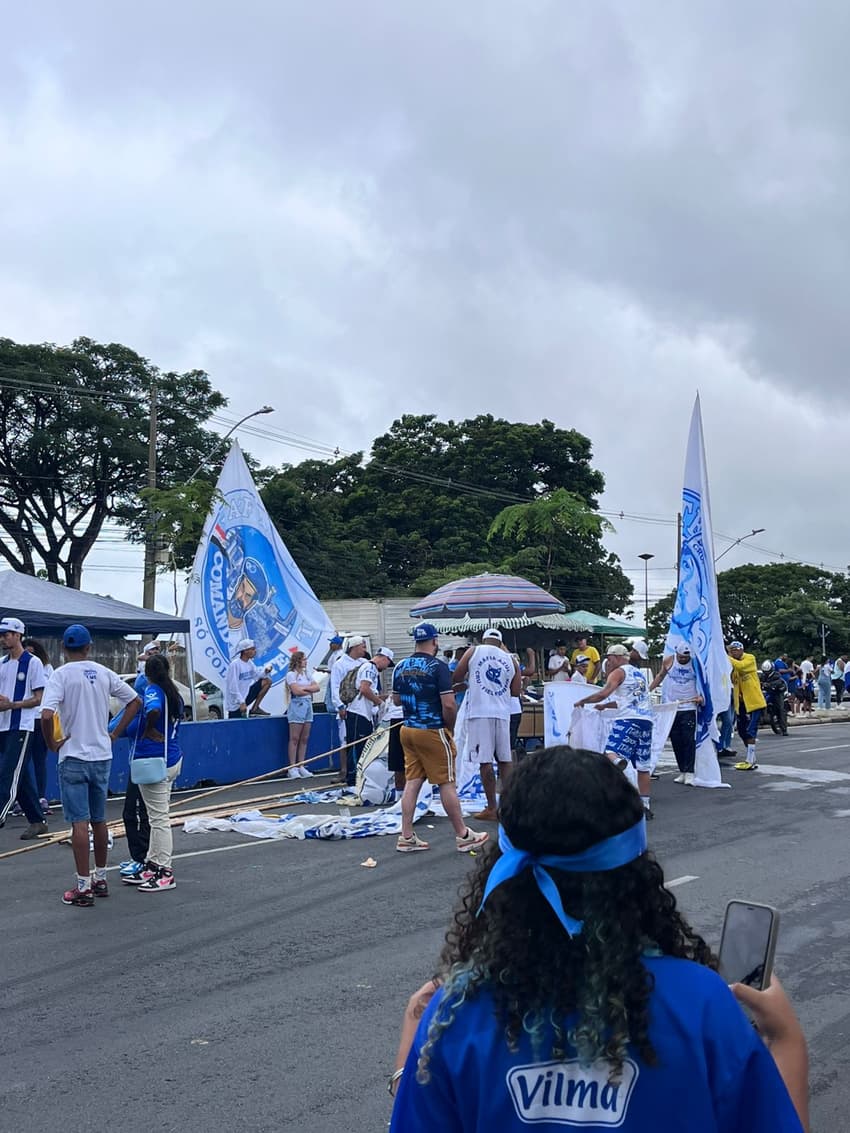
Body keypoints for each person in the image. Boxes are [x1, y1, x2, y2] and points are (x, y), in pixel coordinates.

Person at [388, 746, 809, 1133]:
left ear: (504, 873)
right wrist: (786, 1040)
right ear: (637, 876)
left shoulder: (456, 1015)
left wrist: (412, 1054)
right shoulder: (702, 1003)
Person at [40, 624, 140, 907]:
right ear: (88, 647)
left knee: (79, 823)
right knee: (99, 820)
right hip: (101, 754)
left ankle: (83, 886)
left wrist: (52, 744)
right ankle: (100, 878)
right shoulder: (104, 673)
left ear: (63, 648)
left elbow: (47, 715)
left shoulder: (60, 675)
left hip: (73, 755)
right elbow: (135, 702)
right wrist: (115, 733)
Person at [393, 623, 488, 855]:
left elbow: (396, 700)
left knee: (413, 780)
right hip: (432, 729)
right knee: (446, 781)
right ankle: (463, 835)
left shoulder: (401, 666)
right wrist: (450, 727)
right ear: (434, 641)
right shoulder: (438, 667)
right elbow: (448, 704)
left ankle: (406, 835)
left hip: (407, 728)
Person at [122, 653, 183, 892]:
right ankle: (153, 863)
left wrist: (148, 728)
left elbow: (153, 710)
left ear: (146, 673)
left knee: (158, 819)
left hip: (155, 760)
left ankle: (164, 870)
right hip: (171, 757)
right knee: (157, 815)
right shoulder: (174, 693)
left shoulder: (154, 690)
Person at [575, 644, 655, 819]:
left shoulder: (619, 672)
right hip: (646, 720)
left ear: (617, 657)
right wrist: (605, 706)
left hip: (628, 719)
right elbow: (625, 700)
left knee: (610, 752)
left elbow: (604, 692)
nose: (608, 663)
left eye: (609, 659)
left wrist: (583, 700)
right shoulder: (639, 674)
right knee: (643, 766)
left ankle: (619, 762)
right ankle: (645, 804)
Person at [451, 629, 522, 823]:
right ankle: (510, 806)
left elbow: (457, 676)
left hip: (480, 712)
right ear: (500, 643)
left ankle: (492, 807)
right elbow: (516, 691)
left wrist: (469, 682)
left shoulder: (474, 650)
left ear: (483, 640)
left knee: (485, 761)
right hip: (503, 714)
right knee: (505, 760)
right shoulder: (511, 660)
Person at [0, 616, 48, 838]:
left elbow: (39, 697)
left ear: (18, 635)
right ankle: (37, 820)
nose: (3, 638)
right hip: (3, 724)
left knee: (8, 772)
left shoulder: (33, 663)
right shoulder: (2, 663)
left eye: (6, 634)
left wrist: (14, 704)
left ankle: (1, 813)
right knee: (21, 775)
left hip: (23, 725)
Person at [649, 641, 703, 784]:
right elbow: (660, 676)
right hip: (672, 706)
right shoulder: (669, 661)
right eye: (681, 657)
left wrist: (702, 696)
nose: (683, 660)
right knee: (676, 740)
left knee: (688, 739)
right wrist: (648, 690)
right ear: (676, 653)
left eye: (686, 658)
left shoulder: (694, 663)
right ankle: (682, 771)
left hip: (689, 706)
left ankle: (690, 771)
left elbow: (703, 681)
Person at [342, 647, 395, 788]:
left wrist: (385, 697)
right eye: (387, 664)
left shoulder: (367, 667)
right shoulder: (369, 668)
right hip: (359, 712)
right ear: (384, 658)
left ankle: (357, 775)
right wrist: (380, 703)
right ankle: (353, 777)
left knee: (361, 745)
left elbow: (370, 692)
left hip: (363, 713)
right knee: (357, 745)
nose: (386, 668)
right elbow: (364, 689)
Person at [23, 639, 54, 815]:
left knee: (39, 760)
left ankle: (41, 797)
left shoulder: (46, 668)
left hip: (40, 718)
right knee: (23, 761)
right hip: (24, 720)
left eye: (33, 653)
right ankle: (24, 800)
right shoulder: (18, 667)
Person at [329, 635, 367, 775]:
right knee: (345, 740)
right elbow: (335, 686)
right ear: (355, 647)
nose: (365, 649)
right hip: (347, 707)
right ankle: (345, 771)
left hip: (363, 709)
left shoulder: (364, 663)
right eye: (362, 647)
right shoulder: (340, 664)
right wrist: (339, 706)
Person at [728, 641, 766, 770]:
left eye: (736, 650)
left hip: (754, 703)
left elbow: (741, 667)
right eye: (731, 651)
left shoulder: (749, 658)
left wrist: (727, 658)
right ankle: (752, 756)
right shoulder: (732, 665)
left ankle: (750, 760)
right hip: (741, 703)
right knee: (742, 731)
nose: (734, 653)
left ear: (741, 650)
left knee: (751, 731)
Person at [285, 651, 320, 778]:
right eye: (304, 659)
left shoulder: (307, 674)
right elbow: (296, 691)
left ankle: (301, 765)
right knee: (295, 737)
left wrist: (304, 689)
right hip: (297, 705)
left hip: (307, 704)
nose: (306, 661)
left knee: (304, 738)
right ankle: (292, 767)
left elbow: (317, 687)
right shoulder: (291, 675)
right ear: (298, 661)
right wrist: (307, 690)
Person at [224, 638, 272, 718]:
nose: (255, 651)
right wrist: (241, 702)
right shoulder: (235, 665)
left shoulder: (250, 663)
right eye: (252, 649)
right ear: (245, 651)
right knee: (237, 726)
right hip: (236, 702)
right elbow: (232, 687)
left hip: (245, 696)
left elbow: (258, 676)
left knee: (267, 681)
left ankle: (255, 708)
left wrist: (266, 671)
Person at [760, 661, 789, 737]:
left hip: (777, 692)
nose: (766, 673)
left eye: (767, 671)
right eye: (765, 671)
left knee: (780, 709)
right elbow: (758, 681)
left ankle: (784, 729)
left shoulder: (776, 675)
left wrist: (770, 684)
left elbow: (778, 682)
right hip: (767, 693)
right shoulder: (762, 676)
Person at [321, 634, 345, 715]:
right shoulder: (334, 653)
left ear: (338, 645)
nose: (330, 645)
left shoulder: (340, 655)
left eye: (332, 643)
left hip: (335, 680)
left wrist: (325, 671)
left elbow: (337, 671)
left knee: (332, 700)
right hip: (331, 678)